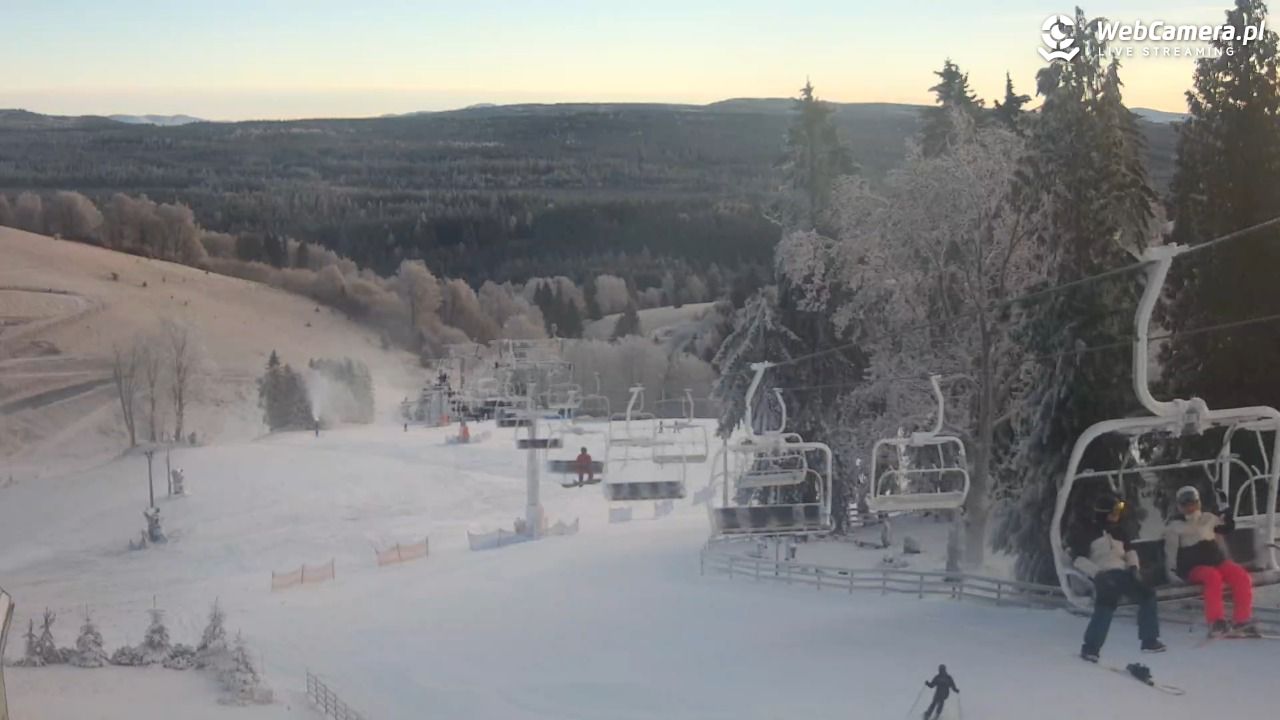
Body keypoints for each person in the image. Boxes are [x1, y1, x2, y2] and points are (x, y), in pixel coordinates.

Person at [1067, 493, 1165, 661]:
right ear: (1104, 513)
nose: (1116, 517)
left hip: (1124, 573)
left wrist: (1134, 567)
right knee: (1107, 602)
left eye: (1117, 514)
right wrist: (1097, 574)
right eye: (1113, 514)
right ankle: (1091, 648)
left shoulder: (1119, 531)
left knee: (1147, 595)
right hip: (1104, 574)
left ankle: (1149, 640)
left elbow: (1130, 551)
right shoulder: (1086, 533)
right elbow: (1078, 559)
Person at [1163, 485, 1258, 637]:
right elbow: (1170, 552)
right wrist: (1172, 572)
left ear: (1198, 502)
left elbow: (1226, 528)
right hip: (1193, 567)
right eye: (1185, 505)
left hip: (1216, 561)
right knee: (1212, 577)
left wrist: (1225, 510)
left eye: (1193, 503)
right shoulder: (1175, 527)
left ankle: (1242, 619)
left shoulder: (1208, 518)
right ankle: (1216, 621)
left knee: (1240, 575)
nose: (1190, 508)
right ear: (1179, 507)